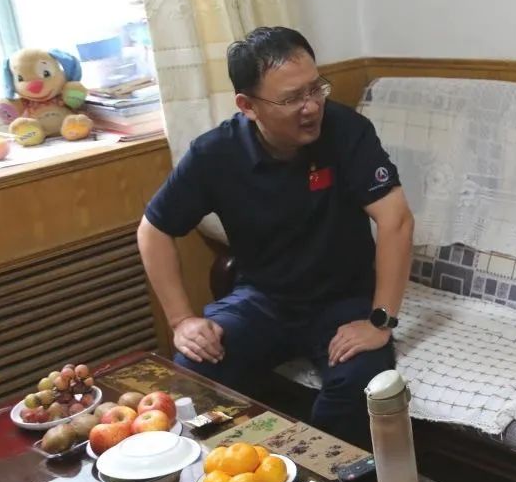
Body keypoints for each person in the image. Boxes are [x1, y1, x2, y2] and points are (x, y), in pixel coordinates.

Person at [137, 26, 414, 445]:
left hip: (344, 299)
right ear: (247, 106)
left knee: (359, 386)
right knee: (194, 371)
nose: (311, 106)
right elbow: (153, 229)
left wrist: (380, 320)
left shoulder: (347, 130)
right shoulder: (215, 153)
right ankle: (239, 470)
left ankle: (321, 476)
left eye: (316, 88)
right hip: (262, 300)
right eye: (291, 98)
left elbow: (396, 220)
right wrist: (181, 320)